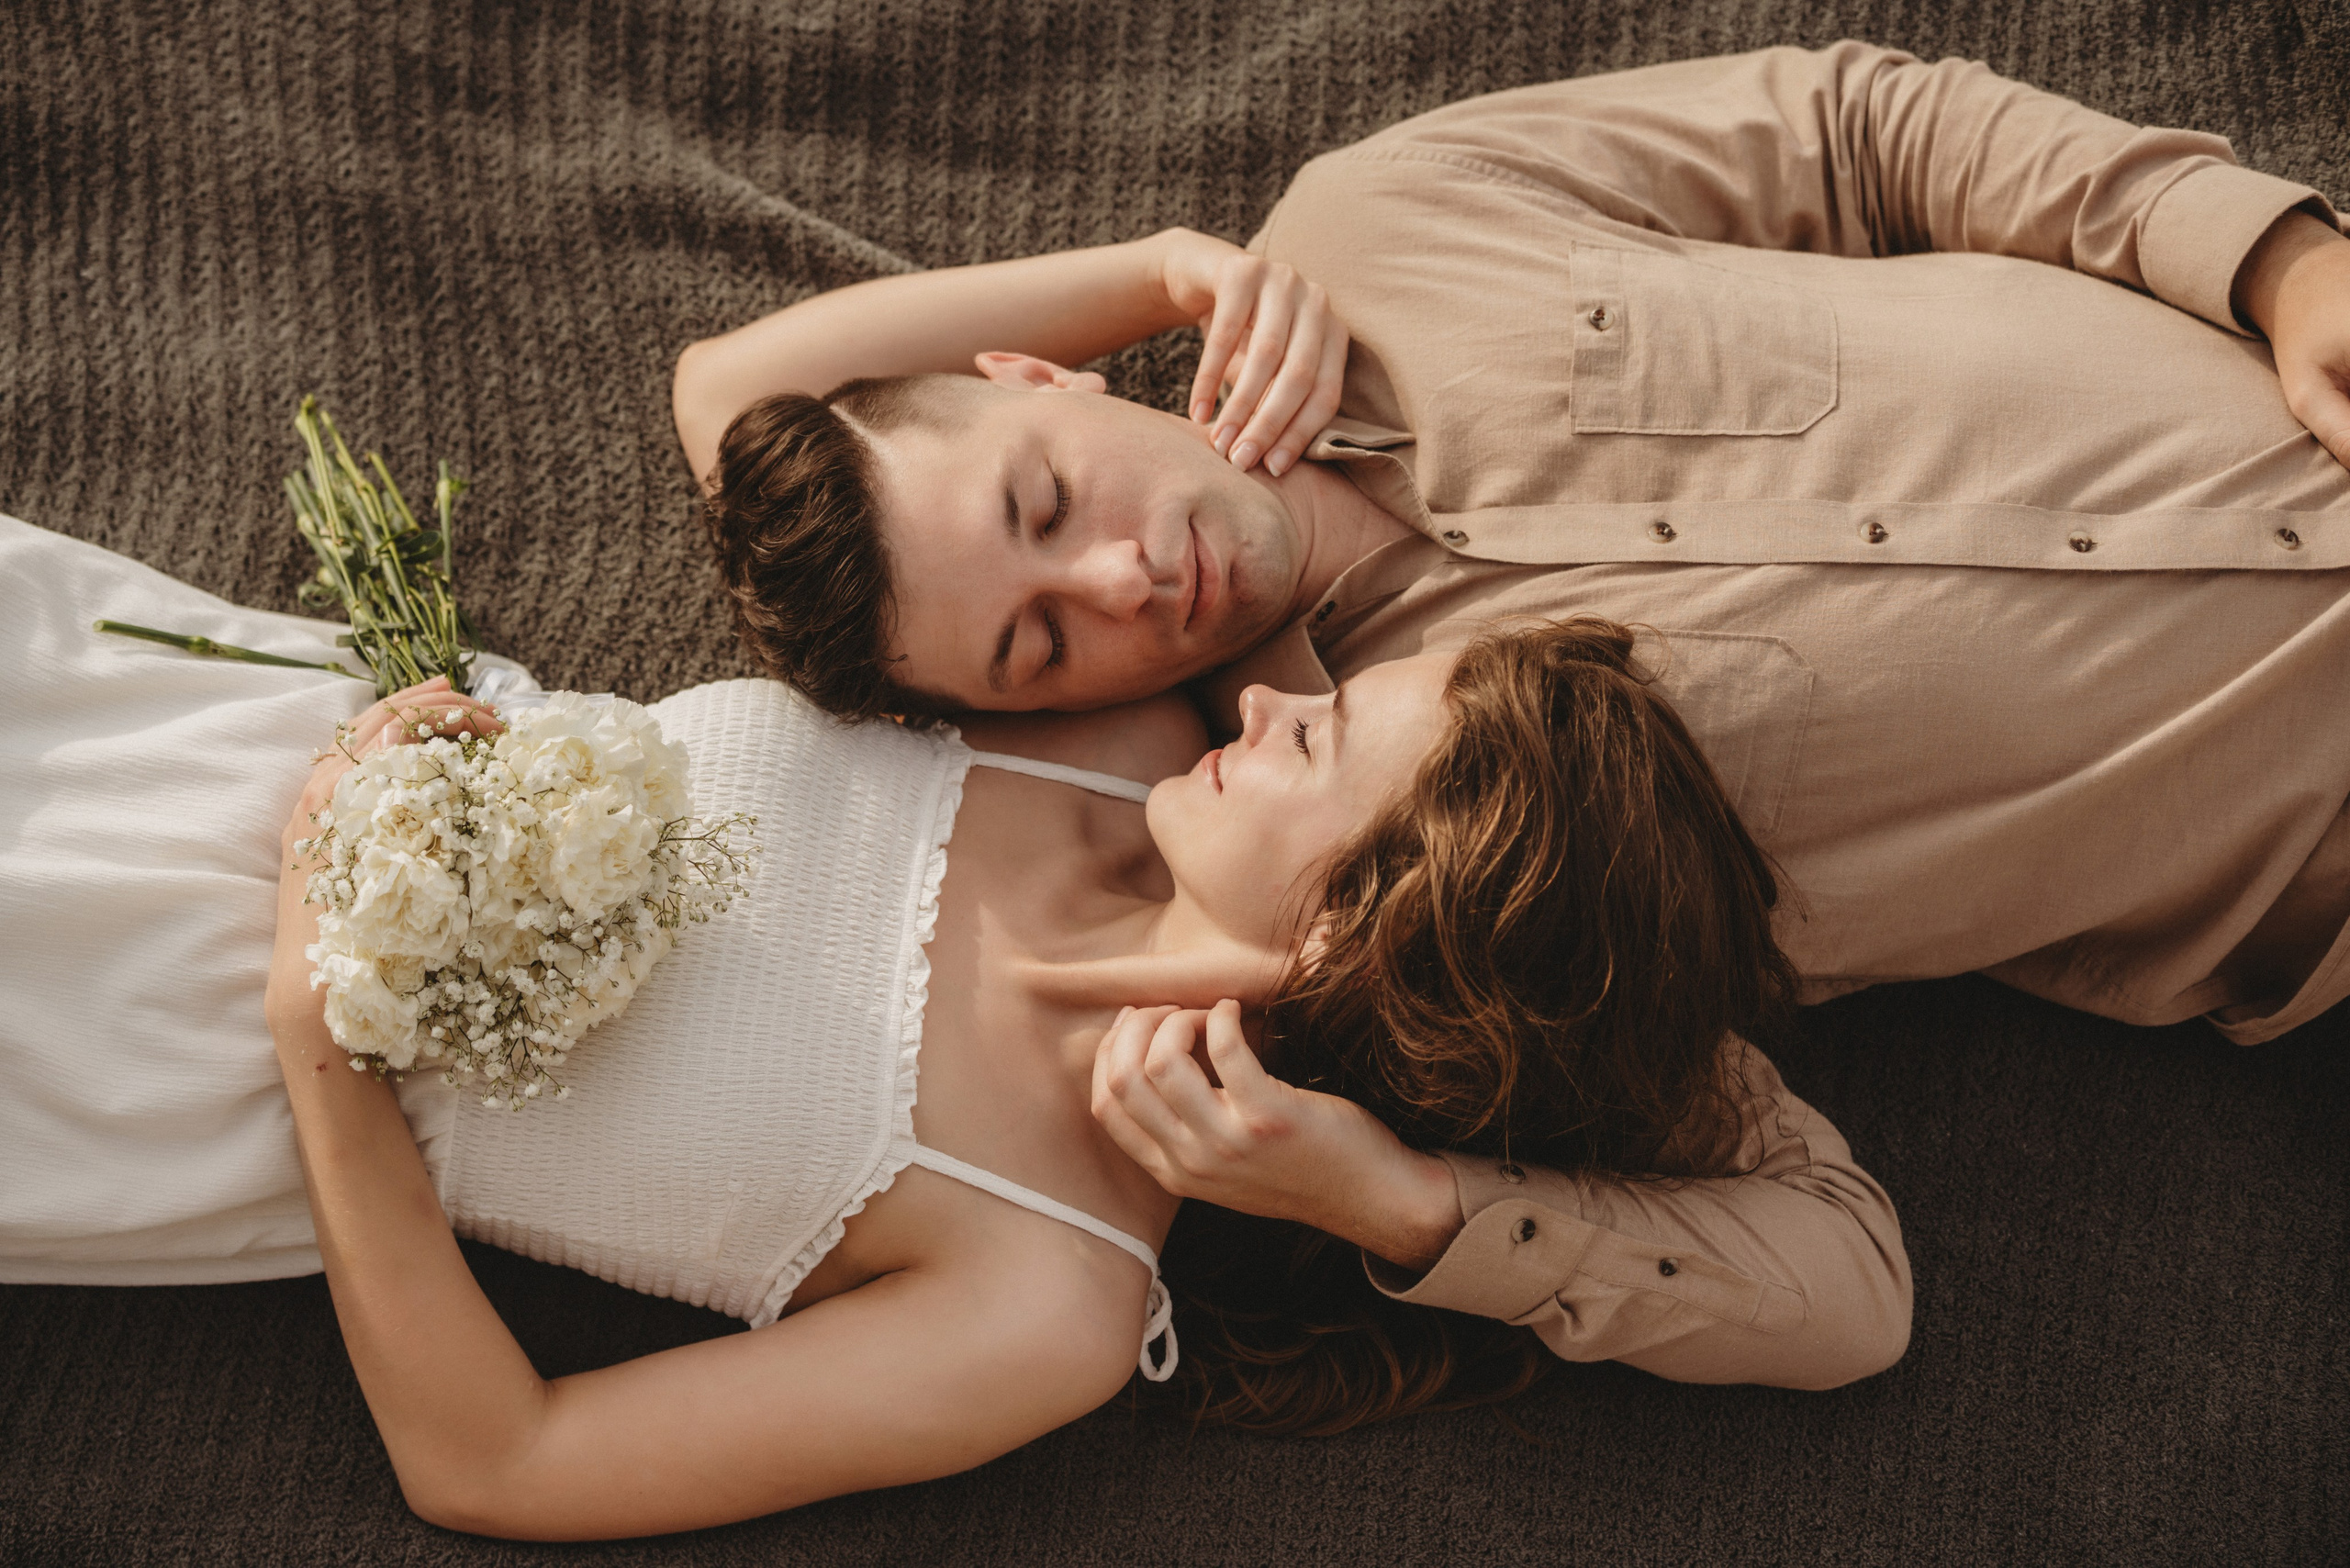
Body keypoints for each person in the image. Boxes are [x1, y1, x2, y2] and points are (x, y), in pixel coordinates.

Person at [674, 40, 2350, 1330]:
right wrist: (1403, 1203)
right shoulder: (1426, 851)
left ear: (1037, 373)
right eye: (1043, 642)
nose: (1124, 578)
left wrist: (2284, 266)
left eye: (1047, 496)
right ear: (1021, 714)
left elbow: (1857, 129)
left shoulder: (1373, 225)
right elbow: (1829, 1266)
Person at [0, 514, 1907, 1539]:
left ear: (1354, 930)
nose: (1274, 700)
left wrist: (316, 1030)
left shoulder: (1042, 1296)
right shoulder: (1103, 724)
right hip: (211, 729)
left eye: (1324, 735)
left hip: (169, 1072)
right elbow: (770, 400)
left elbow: (495, 1462)